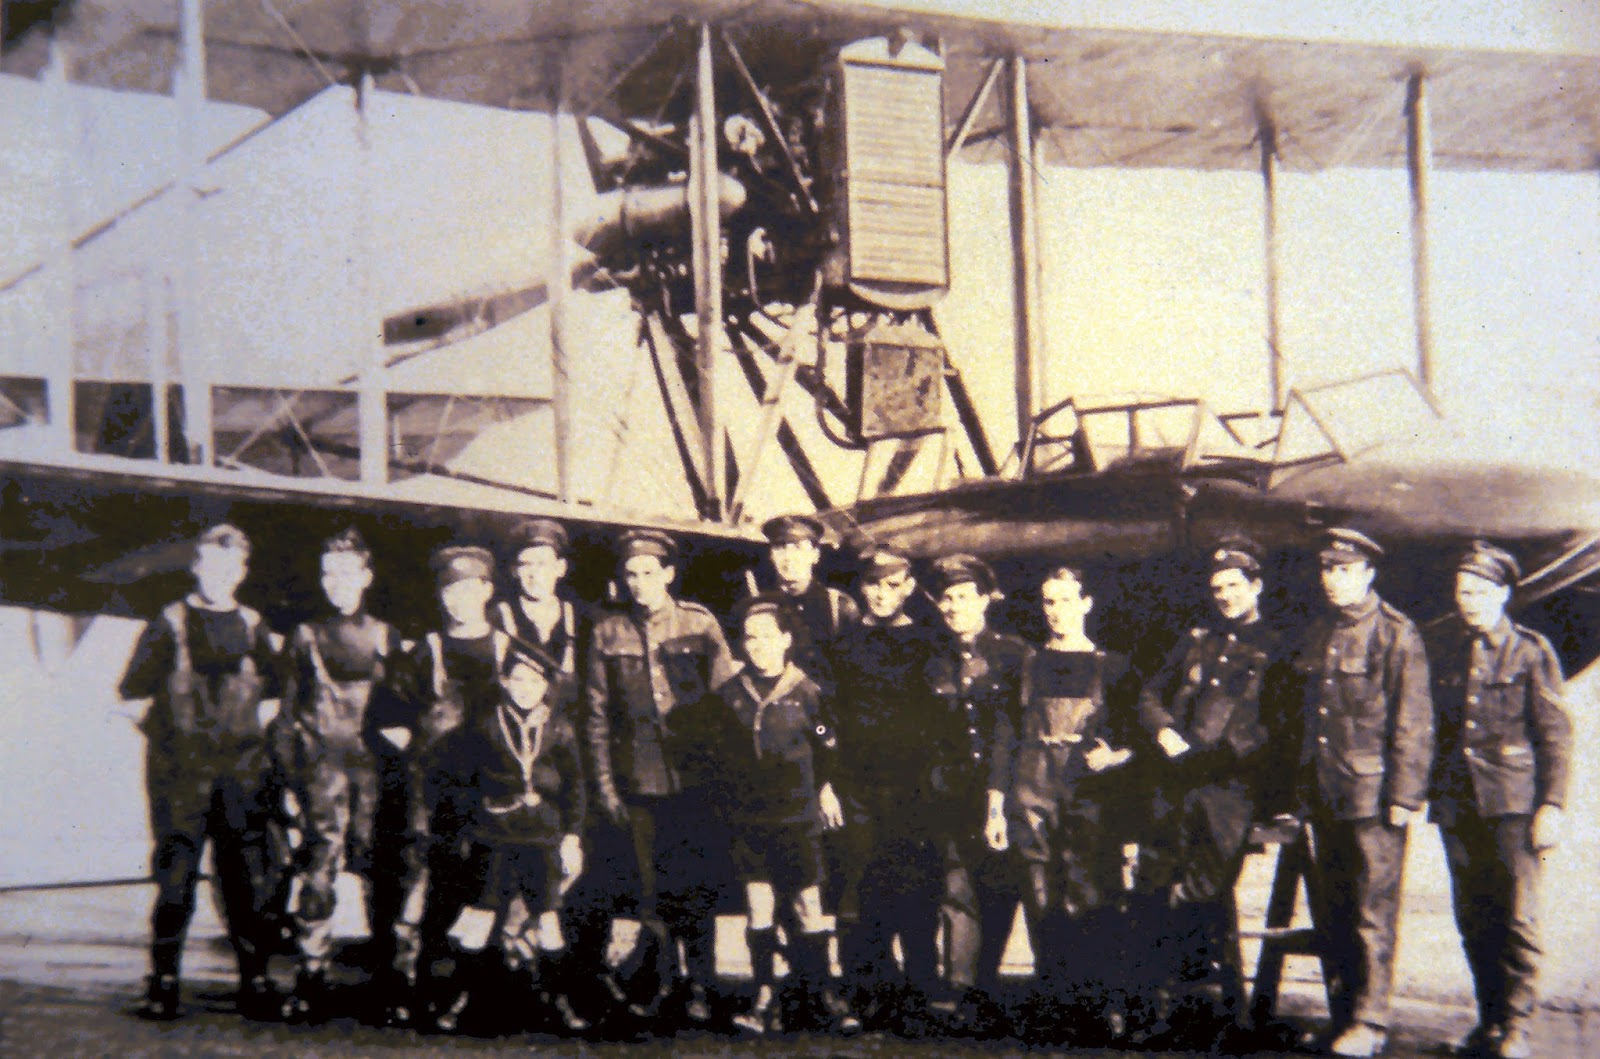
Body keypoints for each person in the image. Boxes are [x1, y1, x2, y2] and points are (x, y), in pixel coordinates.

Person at [118, 523, 282, 1021]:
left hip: (240, 777)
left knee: (245, 879)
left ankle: (255, 979)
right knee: (176, 879)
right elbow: (131, 696)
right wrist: (172, 744)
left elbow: (276, 696)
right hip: (181, 778)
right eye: (212, 565)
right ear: (196, 568)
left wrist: (251, 744)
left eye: (230, 567)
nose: (220, 575)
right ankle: (163, 981)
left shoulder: (253, 625)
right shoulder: (168, 623)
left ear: (242, 571)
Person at [1135, 535, 1290, 1040]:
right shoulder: (1196, 640)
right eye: (1218, 588)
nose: (1225, 596)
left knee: (1202, 892)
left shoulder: (1275, 647)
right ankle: (1167, 1009)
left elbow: (1272, 722)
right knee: (1155, 885)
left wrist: (1218, 757)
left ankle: (1205, 1012)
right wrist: (1163, 730)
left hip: (1227, 793)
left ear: (1256, 586)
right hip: (1176, 788)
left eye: (1234, 586)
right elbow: (1151, 693)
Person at [1425, 542, 1571, 1059]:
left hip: (1513, 806)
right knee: (1474, 917)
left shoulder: (1530, 651)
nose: (1468, 601)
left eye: (1480, 592)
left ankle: (1517, 1027)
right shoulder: (1447, 648)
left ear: (1504, 594)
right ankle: (1488, 1024)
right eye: (1463, 592)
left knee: (1517, 919)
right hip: (1458, 803)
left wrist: (1551, 806)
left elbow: (1555, 736)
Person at [586, 528, 736, 1028]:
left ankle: (702, 984)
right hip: (638, 782)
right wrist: (606, 786)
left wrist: (722, 779)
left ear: (668, 574)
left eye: (649, 573)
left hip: (695, 781)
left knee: (696, 886)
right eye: (631, 574)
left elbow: (726, 704)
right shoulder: (608, 632)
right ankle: (661, 985)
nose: (640, 583)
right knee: (650, 890)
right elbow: (597, 718)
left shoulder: (699, 623)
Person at [1292, 528, 1434, 1058]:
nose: (1332, 579)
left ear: (1368, 573)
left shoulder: (1396, 633)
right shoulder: (1320, 631)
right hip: (1325, 794)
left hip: (1373, 799)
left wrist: (1405, 796)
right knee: (1334, 910)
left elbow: (1413, 721)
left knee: (1373, 912)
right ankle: (1343, 1016)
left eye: (1344, 570)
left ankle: (1371, 1022)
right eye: (1327, 569)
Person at [364, 543, 510, 1028]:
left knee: (484, 889)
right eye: (449, 590)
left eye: (468, 588)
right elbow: (386, 718)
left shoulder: (508, 650)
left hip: (491, 792)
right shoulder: (424, 651)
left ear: (486, 591)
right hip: (431, 796)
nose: (458, 599)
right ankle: (408, 989)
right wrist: (414, 752)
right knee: (421, 889)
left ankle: (475, 993)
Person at [705, 596, 858, 1035]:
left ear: (786, 640)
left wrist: (826, 789)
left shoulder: (808, 692)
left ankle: (822, 994)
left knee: (809, 906)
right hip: (751, 821)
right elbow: (719, 758)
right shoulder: (730, 695)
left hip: (797, 817)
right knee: (759, 909)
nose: (758, 646)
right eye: (750, 638)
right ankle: (764, 996)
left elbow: (829, 749)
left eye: (768, 636)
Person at [428, 636, 590, 1034]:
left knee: (548, 919)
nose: (525, 689)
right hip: (495, 835)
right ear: (504, 681)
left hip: (542, 837)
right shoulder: (484, 726)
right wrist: (469, 826)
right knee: (481, 917)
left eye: (534, 682)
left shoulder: (560, 729)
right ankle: (462, 999)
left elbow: (575, 788)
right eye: (518, 680)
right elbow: (461, 782)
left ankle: (559, 1002)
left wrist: (571, 836)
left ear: (546, 687)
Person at [275, 527, 402, 1022]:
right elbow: (287, 717)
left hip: (374, 774)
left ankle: (389, 978)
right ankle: (311, 973)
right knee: (319, 870)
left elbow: (400, 712)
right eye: (329, 574)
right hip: (321, 776)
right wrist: (291, 781)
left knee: (380, 869)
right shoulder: (304, 636)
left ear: (366, 577)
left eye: (347, 573)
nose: (337, 583)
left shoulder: (386, 636)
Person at [1011, 564, 1136, 1042]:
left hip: (1088, 794)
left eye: (1065, 600)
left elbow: (1136, 737)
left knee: (1091, 892)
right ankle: (1054, 1002)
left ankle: (1099, 1004)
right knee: (1040, 895)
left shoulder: (1113, 666)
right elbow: (1007, 733)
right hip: (1034, 790)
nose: (1056, 610)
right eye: (1048, 601)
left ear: (1086, 604)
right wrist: (999, 799)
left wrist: (1116, 755)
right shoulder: (1027, 664)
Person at [823, 547, 945, 1031]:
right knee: (859, 889)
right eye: (872, 584)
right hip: (857, 786)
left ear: (909, 587)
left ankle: (918, 995)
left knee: (915, 890)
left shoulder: (929, 643)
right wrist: (828, 779)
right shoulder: (843, 645)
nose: (880, 594)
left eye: (892, 584)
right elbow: (824, 718)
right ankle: (863, 995)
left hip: (914, 788)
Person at [923, 553, 1027, 1033]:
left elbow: (1013, 730)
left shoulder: (1013, 655)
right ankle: (963, 990)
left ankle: (986, 985)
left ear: (985, 600)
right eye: (947, 598)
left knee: (999, 890)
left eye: (964, 597)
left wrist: (1000, 797)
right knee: (957, 890)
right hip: (951, 796)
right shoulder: (932, 659)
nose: (954, 606)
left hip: (1002, 791)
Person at [757, 514, 859, 687]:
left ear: (815, 555)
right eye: (780, 547)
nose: (788, 557)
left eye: (798, 547)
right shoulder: (761, 608)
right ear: (771, 556)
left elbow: (855, 675)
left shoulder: (839, 606)